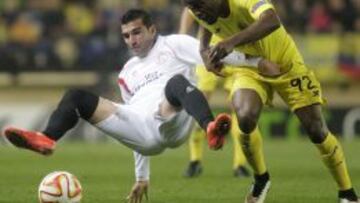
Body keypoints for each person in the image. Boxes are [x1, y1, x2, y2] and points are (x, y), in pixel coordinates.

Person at [1, 9, 272, 203]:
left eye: (137, 32)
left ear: (152, 30)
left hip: (172, 120)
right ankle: (46, 138)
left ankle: (210, 127)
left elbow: (216, 53)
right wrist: (142, 177)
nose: (132, 40)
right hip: (142, 129)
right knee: (76, 97)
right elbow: (132, 114)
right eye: (127, 35)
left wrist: (256, 63)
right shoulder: (127, 72)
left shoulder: (174, 44)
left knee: (175, 82)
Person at [183, 0, 359, 203]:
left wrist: (230, 42)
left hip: (285, 63)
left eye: (198, 4)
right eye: (190, 6)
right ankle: (261, 178)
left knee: (316, 130)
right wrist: (205, 54)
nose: (196, 11)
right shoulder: (199, 9)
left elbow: (272, 20)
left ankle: (347, 193)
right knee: (245, 117)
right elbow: (204, 39)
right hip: (249, 68)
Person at [179, 7, 250, 178]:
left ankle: (239, 164)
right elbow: (190, 10)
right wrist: (181, 35)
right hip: (207, 52)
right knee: (200, 105)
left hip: (236, 53)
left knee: (239, 109)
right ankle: (195, 160)